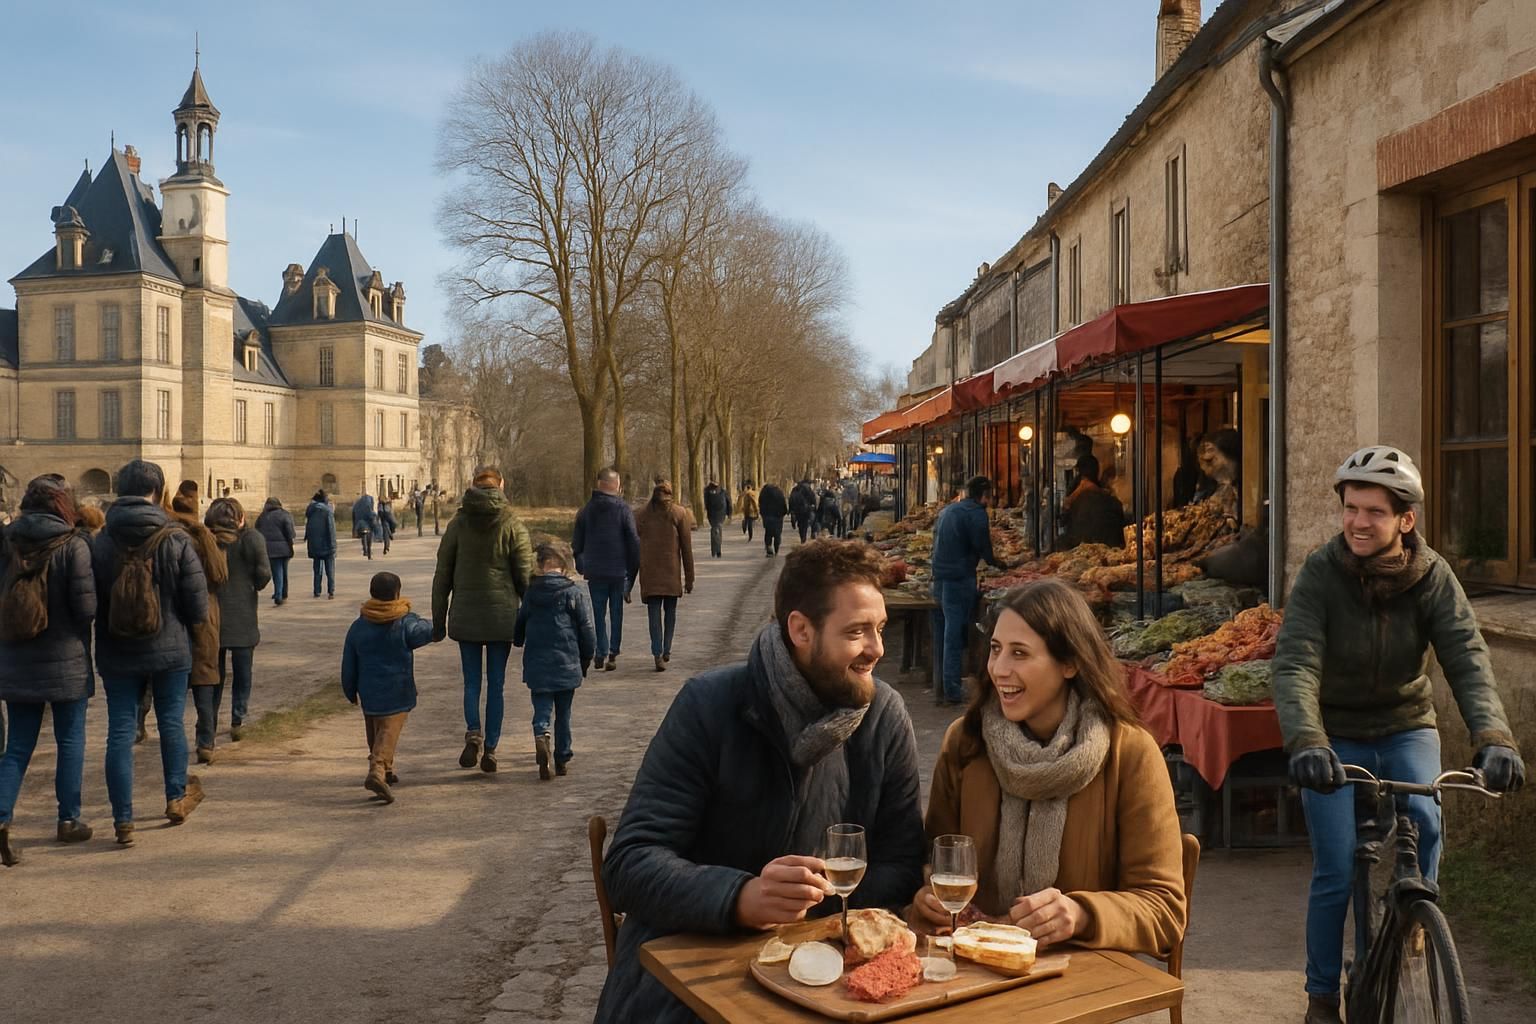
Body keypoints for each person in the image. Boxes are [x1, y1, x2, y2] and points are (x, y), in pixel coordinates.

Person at [594, 539, 927, 1023]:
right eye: (857, 632)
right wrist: (739, 898)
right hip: (691, 980)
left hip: (829, 973)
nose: (877, 649)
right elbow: (630, 864)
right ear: (801, 630)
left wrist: (822, 909)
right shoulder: (709, 705)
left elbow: (901, 861)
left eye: (879, 629)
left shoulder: (885, 716)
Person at [1272, 445, 1525, 1024]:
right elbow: (1296, 664)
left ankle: (1413, 920)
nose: (1358, 522)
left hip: (1406, 724)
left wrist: (1494, 736)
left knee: (1429, 821)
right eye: (1351, 508)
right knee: (1338, 865)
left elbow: (1466, 655)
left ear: (1405, 520)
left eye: (1374, 512)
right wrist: (1307, 740)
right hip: (1334, 733)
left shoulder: (1432, 575)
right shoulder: (1320, 573)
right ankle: (1320, 998)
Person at [913, 578, 1187, 955]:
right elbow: (934, 862)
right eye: (995, 649)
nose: (999, 669)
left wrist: (1081, 914)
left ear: (1069, 663)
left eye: (1020, 653)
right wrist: (927, 899)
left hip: (1080, 972)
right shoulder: (966, 742)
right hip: (977, 961)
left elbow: (1164, 912)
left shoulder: (1130, 753)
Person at [94, 460, 210, 846]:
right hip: (170, 648)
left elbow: (88, 601)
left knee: (120, 732)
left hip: (116, 649)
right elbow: (197, 606)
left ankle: (122, 819)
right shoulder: (174, 538)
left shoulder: (101, 540)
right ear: (159, 492)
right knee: (172, 723)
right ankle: (176, 797)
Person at [0, 477, 97, 865]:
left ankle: (2, 817)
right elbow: (86, 610)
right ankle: (68, 820)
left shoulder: (7, 542)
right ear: (63, 506)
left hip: (16, 657)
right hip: (66, 657)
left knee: (18, 747)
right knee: (70, 741)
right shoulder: (73, 545)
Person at [432, 466, 533, 774]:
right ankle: (491, 748)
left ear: (472, 487)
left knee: (472, 681)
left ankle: (473, 731)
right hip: (502, 615)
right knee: (497, 684)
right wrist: (529, 620)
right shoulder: (513, 524)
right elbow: (525, 578)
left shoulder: (458, 524)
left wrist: (438, 621)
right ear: (501, 485)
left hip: (466, 614)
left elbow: (442, 576)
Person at [342, 571, 436, 804]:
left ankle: (388, 769)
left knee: (375, 733)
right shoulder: (404, 621)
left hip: (368, 691)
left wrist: (349, 689)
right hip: (397, 688)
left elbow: (348, 662)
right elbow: (424, 633)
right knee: (388, 732)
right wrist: (438, 622)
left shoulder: (358, 626)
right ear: (397, 593)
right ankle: (378, 770)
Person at [514, 544, 596, 781]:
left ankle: (541, 734)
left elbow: (520, 622)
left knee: (542, 709)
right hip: (567, 662)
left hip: (538, 664)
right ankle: (562, 757)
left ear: (540, 567)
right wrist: (587, 656)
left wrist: (518, 639)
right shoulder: (573, 593)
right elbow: (586, 628)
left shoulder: (531, 593)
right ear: (563, 567)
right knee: (564, 713)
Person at [930, 476, 1005, 706]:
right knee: (954, 634)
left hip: (940, 578)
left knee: (943, 632)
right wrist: (1001, 564)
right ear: (984, 494)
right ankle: (952, 690)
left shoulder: (949, 510)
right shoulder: (976, 514)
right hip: (958, 578)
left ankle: (943, 685)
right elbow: (984, 548)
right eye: (990, 495)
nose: (991, 500)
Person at [205, 498, 271, 754]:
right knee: (243, 672)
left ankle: (209, 722)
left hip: (213, 616)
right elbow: (264, 573)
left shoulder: (205, 540)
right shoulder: (251, 538)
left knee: (213, 674)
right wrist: (252, 585)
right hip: (243, 614)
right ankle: (237, 717)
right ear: (240, 518)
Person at [171, 488, 229, 766]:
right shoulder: (204, 538)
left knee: (173, 686)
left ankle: (170, 740)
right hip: (206, 616)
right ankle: (205, 741)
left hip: (173, 617)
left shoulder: (167, 536)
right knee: (205, 680)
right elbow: (220, 576)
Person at [572, 468, 640, 672]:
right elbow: (633, 541)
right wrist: (632, 569)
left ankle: (600, 651)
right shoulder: (623, 509)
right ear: (615, 485)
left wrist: (582, 564)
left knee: (598, 614)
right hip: (618, 571)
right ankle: (612, 651)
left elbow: (577, 543)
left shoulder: (586, 510)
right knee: (616, 612)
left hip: (595, 571)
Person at [634, 481, 694, 673]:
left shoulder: (641, 515)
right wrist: (689, 578)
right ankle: (666, 649)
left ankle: (657, 652)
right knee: (670, 613)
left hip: (650, 573)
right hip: (671, 572)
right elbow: (686, 549)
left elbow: (634, 547)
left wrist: (630, 577)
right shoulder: (679, 513)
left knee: (654, 615)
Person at [1060, 456, 1126, 549]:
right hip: (1109, 550)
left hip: (1079, 550)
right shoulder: (1110, 501)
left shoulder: (1075, 499)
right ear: (1097, 472)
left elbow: (1063, 520)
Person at [255, 497, 295, 606]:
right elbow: (290, 533)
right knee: (283, 571)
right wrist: (290, 545)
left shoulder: (262, 517)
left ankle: (278, 594)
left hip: (270, 549)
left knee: (277, 572)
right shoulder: (285, 515)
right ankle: (283, 593)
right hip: (285, 548)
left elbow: (257, 531)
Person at [305, 490, 337, 599]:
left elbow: (308, 529)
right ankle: (331, 591)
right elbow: (331, 529)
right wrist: (333, 545)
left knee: (317, 569)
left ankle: (317, 591)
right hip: (327, 544)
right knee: (330, 569)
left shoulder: (310, 511)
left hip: (314, 545)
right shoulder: (327, 512)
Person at [757, 480, 789, 557]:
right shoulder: (779, 492)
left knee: (768, 532)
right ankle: (776, 548)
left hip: (767, 516)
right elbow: (783, 503)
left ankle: (769, 547)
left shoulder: (763, 493)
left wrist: (763, 514)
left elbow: (760, 504)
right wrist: (784, 512)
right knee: (777, 533)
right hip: (778, 517)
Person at [702, 481, 731, 559]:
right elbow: (729, 503)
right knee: (718, 530)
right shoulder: (723, 491)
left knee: (714, 530)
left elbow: (706, 504)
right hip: (721, 514)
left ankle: (715, 550)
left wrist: (707, 511)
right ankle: (717, 550)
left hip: (712, 514)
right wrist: (729, 514)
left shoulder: (707, 491)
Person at [789, 478, 817, 543]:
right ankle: (805, 537)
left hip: (797, 510)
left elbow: (791, 499)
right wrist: (813, 507)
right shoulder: (808, 490)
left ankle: (802, 537)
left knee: (801, 525)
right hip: (806, 510)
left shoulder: (795, 489)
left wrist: (791, 509)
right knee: (805, 524)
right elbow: (813, 499)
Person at [352, 490, 377, 560]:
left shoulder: (357, 504)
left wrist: (354, 528)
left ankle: (365, 550)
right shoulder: (368, 506)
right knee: (369, 539)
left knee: (363, 537)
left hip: (359, 525)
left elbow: (353, 515)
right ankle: (369, 553)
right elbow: (370, 515)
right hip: (367, 524)